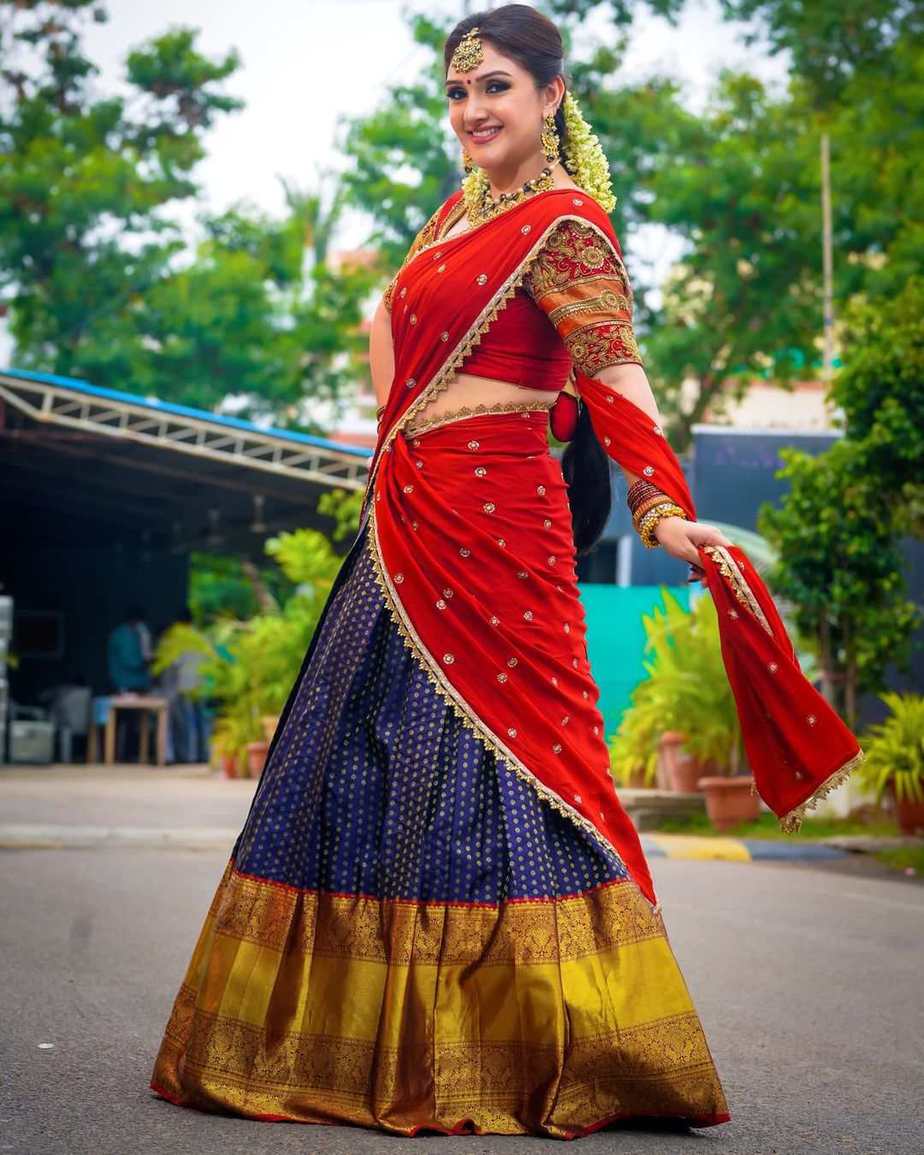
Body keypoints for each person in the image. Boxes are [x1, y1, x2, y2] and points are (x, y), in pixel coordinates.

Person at [149, 6, 862, 1139]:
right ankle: (358, 1043)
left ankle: (577, 1049)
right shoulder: (447, 224)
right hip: (408, 516)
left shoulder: (565, 225)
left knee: (530, 769)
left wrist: (661, 506)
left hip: (500, 523)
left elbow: (615, 374)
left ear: (550, 99)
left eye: (495, 88)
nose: (472, 111)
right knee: (366, 769)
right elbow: (396, 364)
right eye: (457, 92)